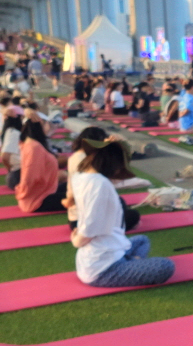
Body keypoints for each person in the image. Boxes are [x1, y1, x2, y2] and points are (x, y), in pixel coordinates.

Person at [71, 140, 174, 288]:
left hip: (106, 253)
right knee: (166, 266)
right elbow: (90, 226)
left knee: (142, 240)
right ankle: (132, 264)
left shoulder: (80, 177)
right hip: (104, 268)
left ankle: (133, 262)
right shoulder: (100, 183)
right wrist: (76, 241)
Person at [64, 127, 140, 232]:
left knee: (119, 202)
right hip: (85, 223)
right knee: (133, 215)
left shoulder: (76, 158)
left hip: (76, 219)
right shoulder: (96, 173)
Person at [15, 119, 68, 213]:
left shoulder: (32, 144)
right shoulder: (34, 147)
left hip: (43, 192)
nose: (49, 126)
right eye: (46, 124)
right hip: (38, 200)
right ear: (39, 127)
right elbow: (30, 176)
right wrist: (23, 192)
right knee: (81, 196)